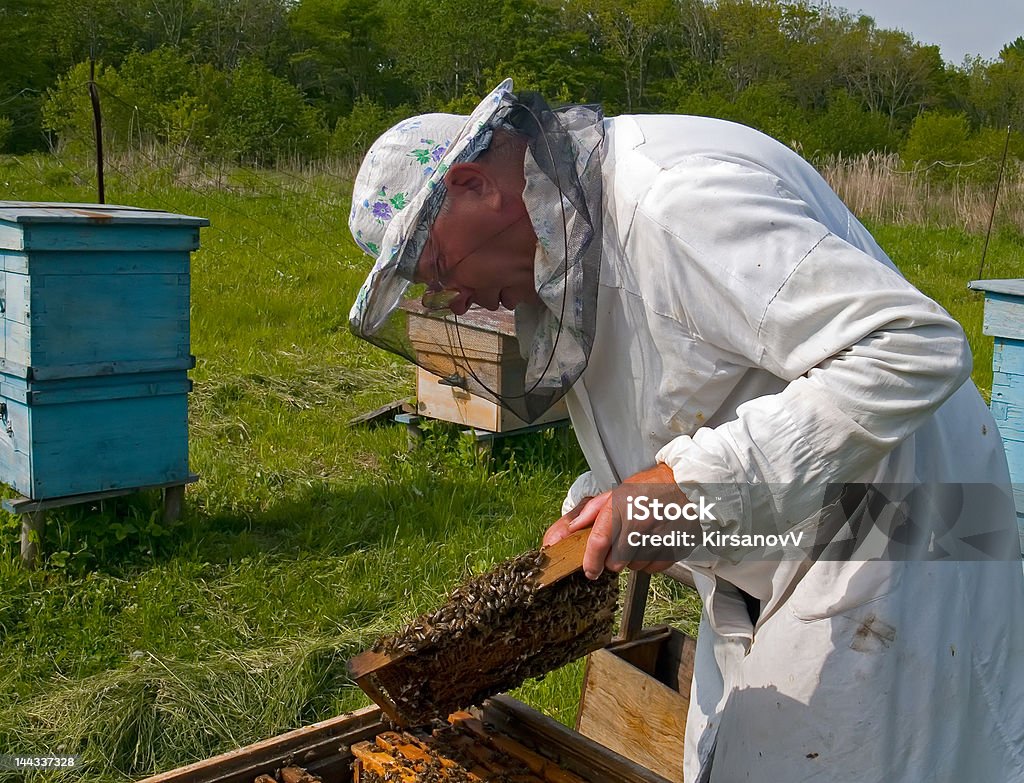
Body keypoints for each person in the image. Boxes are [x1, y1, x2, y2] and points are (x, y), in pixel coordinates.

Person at [347, 80, 1024, 782]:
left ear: (474, 184)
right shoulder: (574, 240)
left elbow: (911, 345)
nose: (446, 298)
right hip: (789, 551)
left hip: (900, 541)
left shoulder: (675, 202)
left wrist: (682, 488)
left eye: (434, 266)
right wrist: (610, 500)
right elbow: (696, 390)